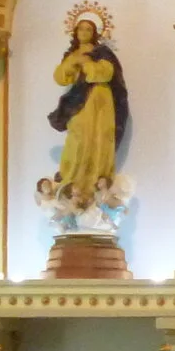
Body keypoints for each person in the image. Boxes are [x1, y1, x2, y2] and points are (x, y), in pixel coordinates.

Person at [48, 13, 130, 207]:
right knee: (77, 138)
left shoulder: (102, 52)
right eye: (81, 29)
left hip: (100, 100)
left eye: (88, 29)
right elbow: (62, 78)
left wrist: (87, 64)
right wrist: (71, 63)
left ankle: (97, 184)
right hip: (79, 101)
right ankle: (72, 182)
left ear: (94, 33)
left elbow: (106, 73)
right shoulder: (71, 54)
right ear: (75, 32)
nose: (84, 32)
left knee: (99, 139)